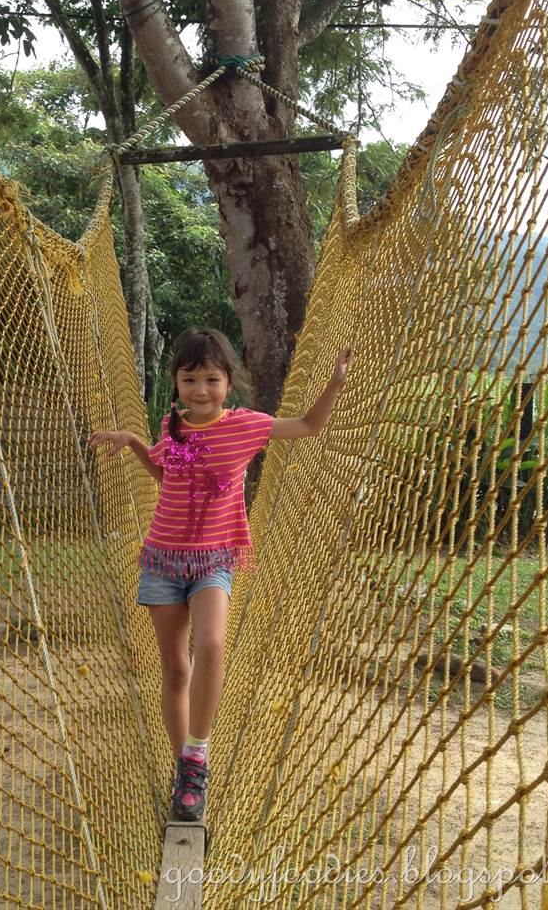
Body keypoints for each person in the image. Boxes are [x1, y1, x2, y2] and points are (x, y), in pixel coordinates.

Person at [88, 327, 351, 823]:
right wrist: (136, 442)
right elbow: (167, 478)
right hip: (162, 559)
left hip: (213, 559)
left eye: (211, 379)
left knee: (210, 646)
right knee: (175, 670)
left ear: (229, 382)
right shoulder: (174, 425)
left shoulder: (245, 425)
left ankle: (196, 755)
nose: (200, 390)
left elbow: (308, 427)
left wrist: (334, 384)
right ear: (176, 382)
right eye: (190, 379)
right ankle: (183, 772)